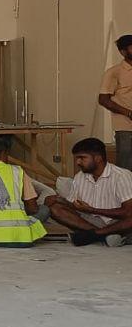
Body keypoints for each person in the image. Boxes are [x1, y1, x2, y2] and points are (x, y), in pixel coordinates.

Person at [44, 136, 132, 246]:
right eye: (77, 158)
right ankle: (105, 235)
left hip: (117, 222)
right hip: (90, 221)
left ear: (98, 158)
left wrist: (92, 210)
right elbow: (74, 206)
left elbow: (128, 212)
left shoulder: (121, 176)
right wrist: (59, 200)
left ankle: (96, 234)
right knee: (55, 208)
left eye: (82, 158)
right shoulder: (79, 176)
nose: (78, 162)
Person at [98, 34, 132, 169]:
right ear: (123, 52)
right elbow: (103, 99)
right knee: (126, 166)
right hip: (125, 127)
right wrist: (128, 113)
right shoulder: (114, 72)